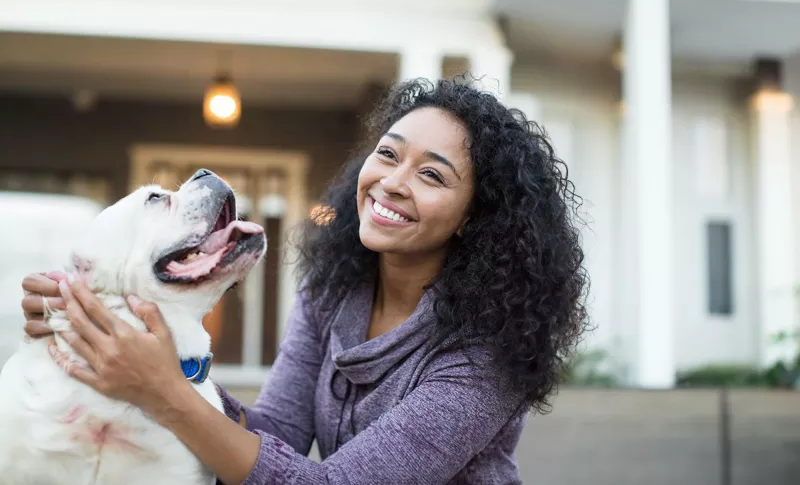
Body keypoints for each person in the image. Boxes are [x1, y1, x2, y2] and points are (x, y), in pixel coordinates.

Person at [20, 77, 590, 485]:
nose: (391, 182)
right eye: (387, 154)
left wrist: (164, 390)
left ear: (475, 216)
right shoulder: (334, 292)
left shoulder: (486, 354)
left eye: (432, 175)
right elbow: (278, 433)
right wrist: (110, 329)